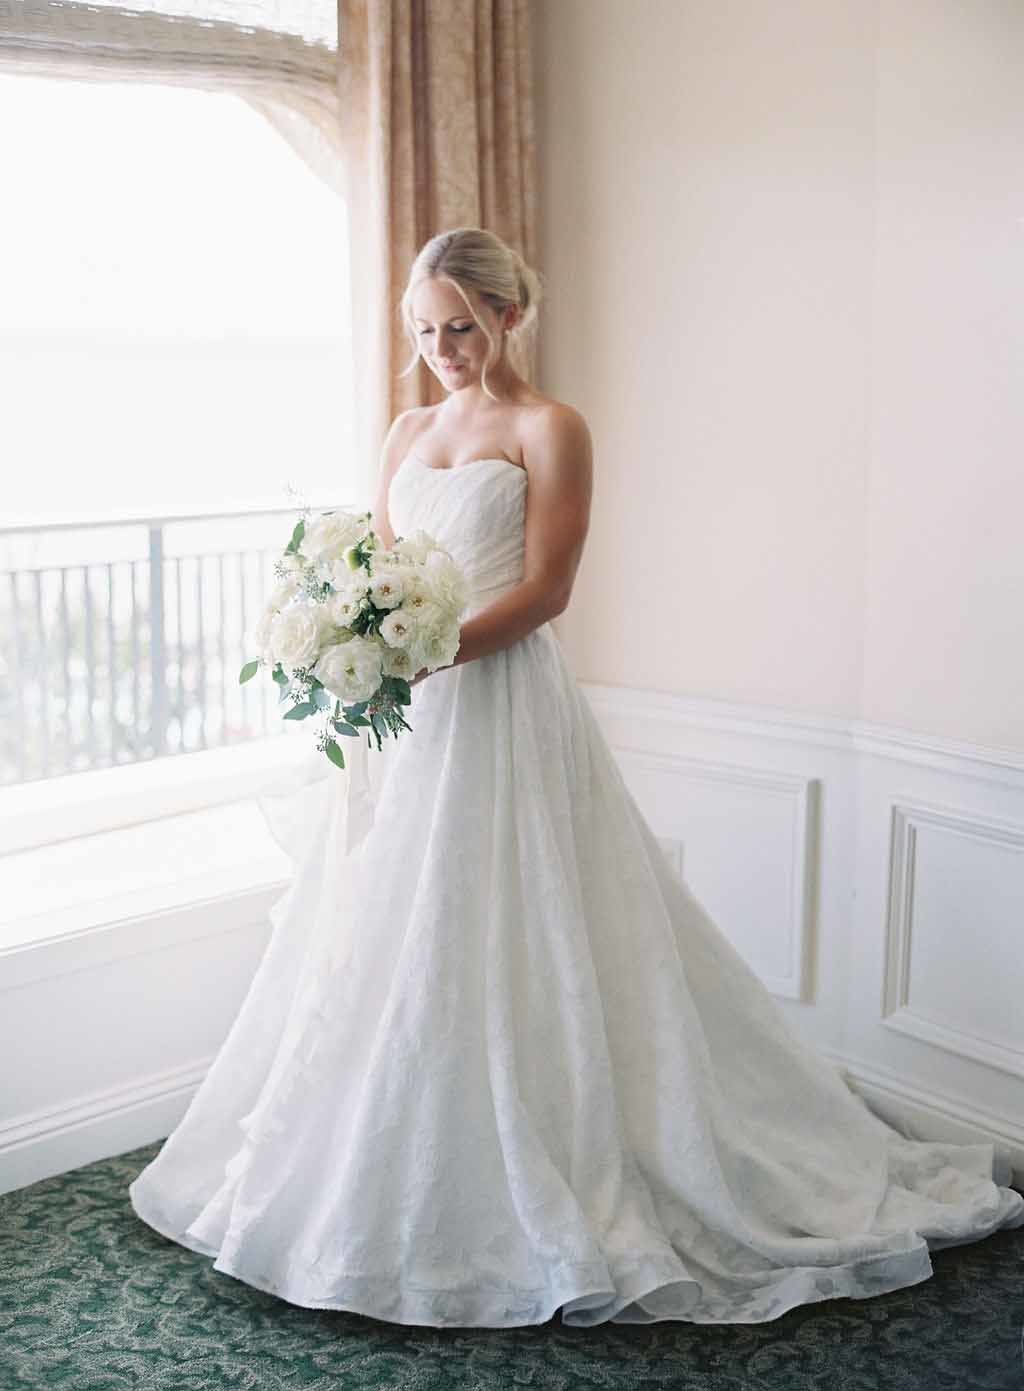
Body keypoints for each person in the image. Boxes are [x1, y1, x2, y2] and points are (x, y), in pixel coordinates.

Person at [129, 227, 1024, 1328]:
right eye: (423, 329)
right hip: (405, 719)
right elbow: (377, 560)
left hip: (498, 704)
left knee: (508, 922)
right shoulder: (406, 427)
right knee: (387, 926)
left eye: (461, 324)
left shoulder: (551, 427)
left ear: (509, 314)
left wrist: (423, 649)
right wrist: (346, 640)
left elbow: (548, 588)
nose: (442, 348)